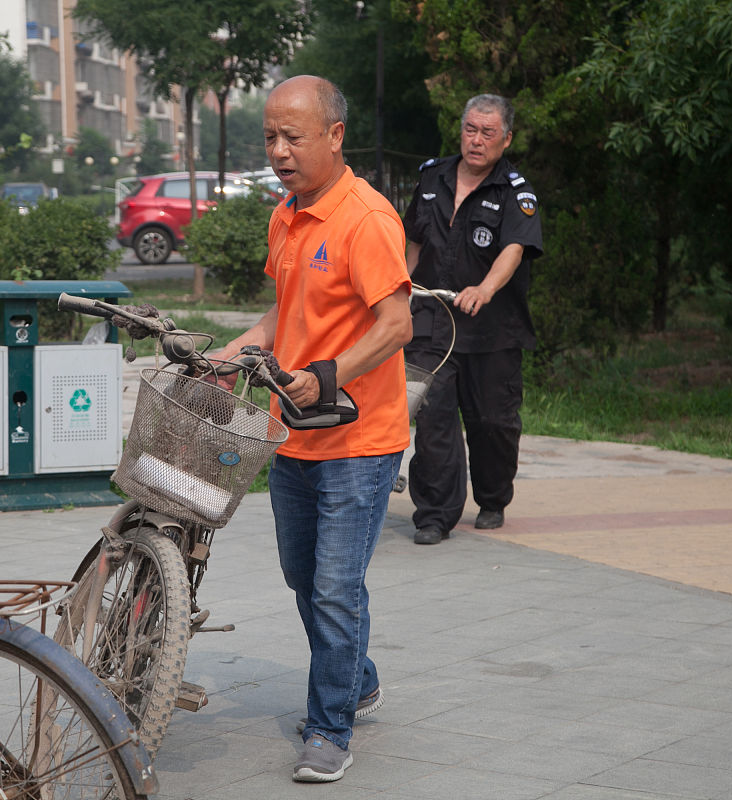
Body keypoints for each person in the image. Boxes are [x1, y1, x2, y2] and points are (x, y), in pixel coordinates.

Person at [217, 75, 412, 783]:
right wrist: (225, 354)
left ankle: (330, 727)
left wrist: (328, 373)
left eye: (291, 137)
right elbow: (281, 316)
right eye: (269, 136)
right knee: (303, 575)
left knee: (335, 585)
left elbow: (397, 324)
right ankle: (356, 676)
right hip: (291, 430)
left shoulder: (366, 218)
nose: (278, 150)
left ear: (334, 135)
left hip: (361, 439)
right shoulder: (286, 215)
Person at [404, 93, 543, 545]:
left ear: (506, 139)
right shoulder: (432, 177)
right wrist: (398, 289)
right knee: (433, 417)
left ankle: (492, 497)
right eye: (470, 129)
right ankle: (434, 514)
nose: (476, 140)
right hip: (431, 320)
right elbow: (413, 242)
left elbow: (514, 249)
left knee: (492, 423)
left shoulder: (515, 191)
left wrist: (485, 288)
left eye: (487, 133)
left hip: (492, 328)